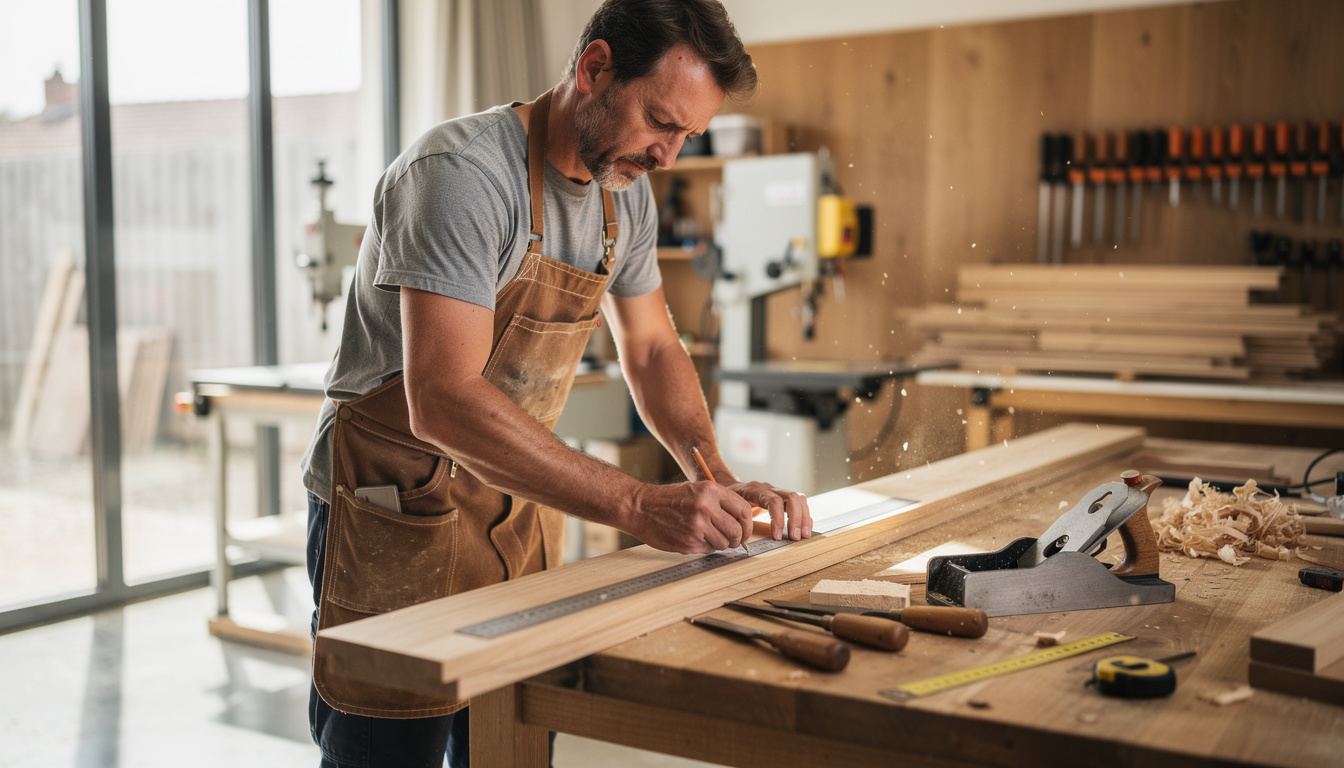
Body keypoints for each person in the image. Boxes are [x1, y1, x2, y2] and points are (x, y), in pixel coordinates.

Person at [299, 0, 812, 765]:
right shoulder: (462, 175)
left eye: (686, 136)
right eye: (660, 122)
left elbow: (651, 347)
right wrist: (638, 504)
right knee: (387, 752)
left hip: (513, 506)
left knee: (508, 744)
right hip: (395, 505)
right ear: (595, 67)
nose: (668, 155)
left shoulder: (624, 195)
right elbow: (440, 399)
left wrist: (716, 481)